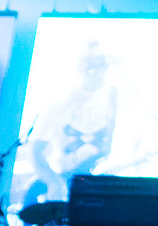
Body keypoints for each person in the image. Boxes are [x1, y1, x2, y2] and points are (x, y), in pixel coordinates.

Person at [24, 43, 117, 204]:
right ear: (79, 66)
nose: (95, 69)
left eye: (100, 63)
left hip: (105, 183)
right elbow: (35, 149)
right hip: (66, 179)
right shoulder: (59, 101)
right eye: (89, 64)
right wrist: (53, 181)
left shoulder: (119, 98)